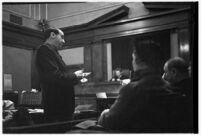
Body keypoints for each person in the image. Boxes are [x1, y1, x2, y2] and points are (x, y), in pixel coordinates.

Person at [97, 39, 193, 133]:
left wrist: (104, 113)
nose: (132, 62)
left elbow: (109, 122)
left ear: (138, 60)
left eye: (133, 59)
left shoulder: (131, 90)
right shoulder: (174, 90)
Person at [36, 28, 83, 123]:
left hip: (61, 106)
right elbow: (54, 76)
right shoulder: (44, 49)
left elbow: (60, 76)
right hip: (57, 106)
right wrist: (74, 75)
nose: (64, 41)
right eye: (62, 37)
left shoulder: (52, 51)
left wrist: (77, 77)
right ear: (53, 35)